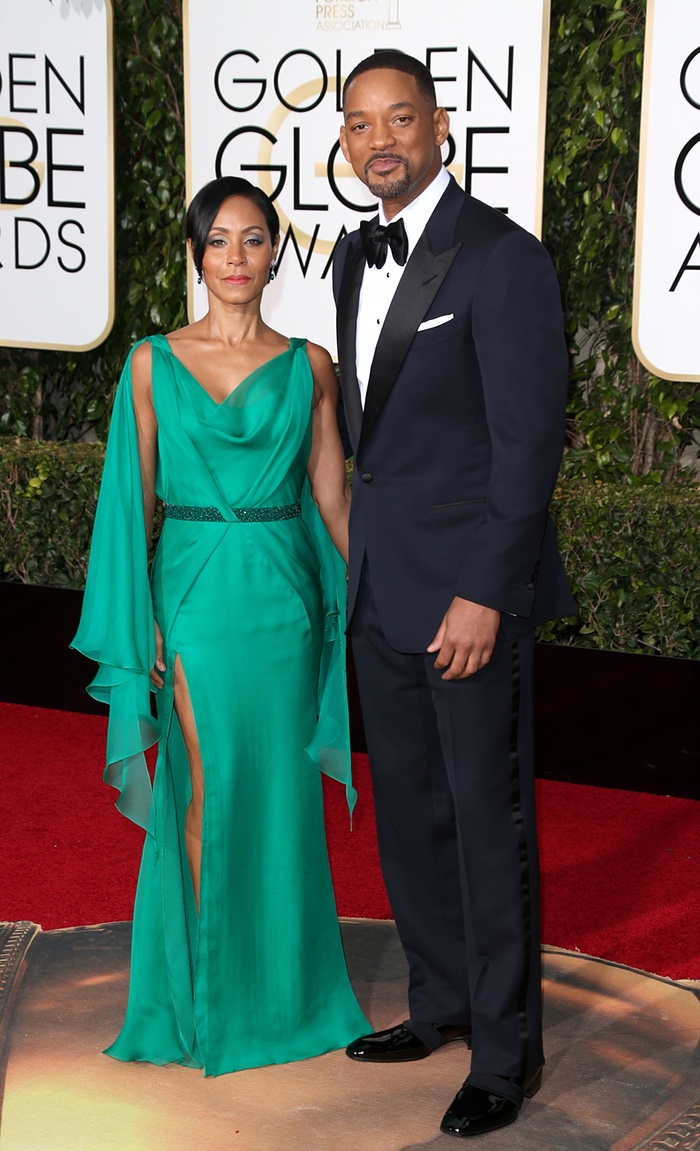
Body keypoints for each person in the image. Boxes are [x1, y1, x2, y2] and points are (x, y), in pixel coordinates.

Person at [71, 175, 369, 1076]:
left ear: (275, 253)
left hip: (284, 600)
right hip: (195, 595)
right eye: (218, 241)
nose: (236, 258)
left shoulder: (310, 365)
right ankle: (214, 991)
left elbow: (334, 502)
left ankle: (284, 992)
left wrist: (400, 593)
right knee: (211, 783)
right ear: (196, 256)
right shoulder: (151, 364)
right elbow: (133, 505)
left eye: (253, 239)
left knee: (280, 791)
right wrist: (143, 621)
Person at [332, 51, 576, 1137]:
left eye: (400, 118)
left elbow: (528, 446)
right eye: (360, 123)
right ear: (345, 141)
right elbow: (371, 440)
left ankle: (505, 1052)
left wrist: (484, 591)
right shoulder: (351, 255)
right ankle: (438, 1004)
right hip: (382, 587)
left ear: (440, 127)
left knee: (486, 820)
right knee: (411, 814)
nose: (380, 139)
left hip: (467, 599)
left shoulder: (503, 256)